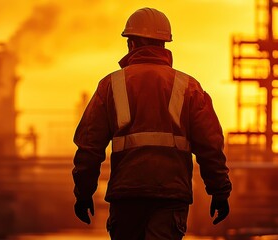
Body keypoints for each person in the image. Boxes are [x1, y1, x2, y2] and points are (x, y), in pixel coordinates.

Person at [72, 7, 232, 239]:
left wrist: (84, 193)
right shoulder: (188, 87)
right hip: (170, 197)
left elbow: (89, 146)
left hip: (126, 198)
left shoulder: (110, 86)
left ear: (132, 44)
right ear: (164, 45)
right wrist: (219, 192)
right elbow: (211, 146)